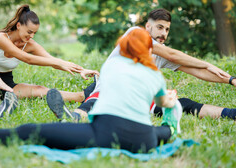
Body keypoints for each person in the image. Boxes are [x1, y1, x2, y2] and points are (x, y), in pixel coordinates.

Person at [0, 28, 183, 153]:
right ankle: (170, 128)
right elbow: (160, 99)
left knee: (29, 131)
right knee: (157, 130)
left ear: (122, 47)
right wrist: (169, 101)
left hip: (105, 133)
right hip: (144, 141)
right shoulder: (155, 74)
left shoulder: (112, 64)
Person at [48, 8, 236, 121]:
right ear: (148, 26)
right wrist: (207, 63)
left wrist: (230, 79)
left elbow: (197, 71)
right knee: (95, 100)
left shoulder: (160, 54)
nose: (164, 33)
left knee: (183, 104)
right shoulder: (135, 33)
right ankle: (72, 117)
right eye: (160, 27)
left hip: (137, 99)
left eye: (167, 29)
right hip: (109, 89)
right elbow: (172, 53)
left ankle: (230, 114)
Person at [0, 4, 99, 102]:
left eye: (34, 33)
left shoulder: (30, 45)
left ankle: (83, 96)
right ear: (18, 25)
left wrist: (81, 69)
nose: (31, 36)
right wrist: (59, 62)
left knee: (40, 90)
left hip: (6, 83)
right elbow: (26, 59)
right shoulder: (1, 38)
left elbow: (52, 61)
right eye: (29, 32)